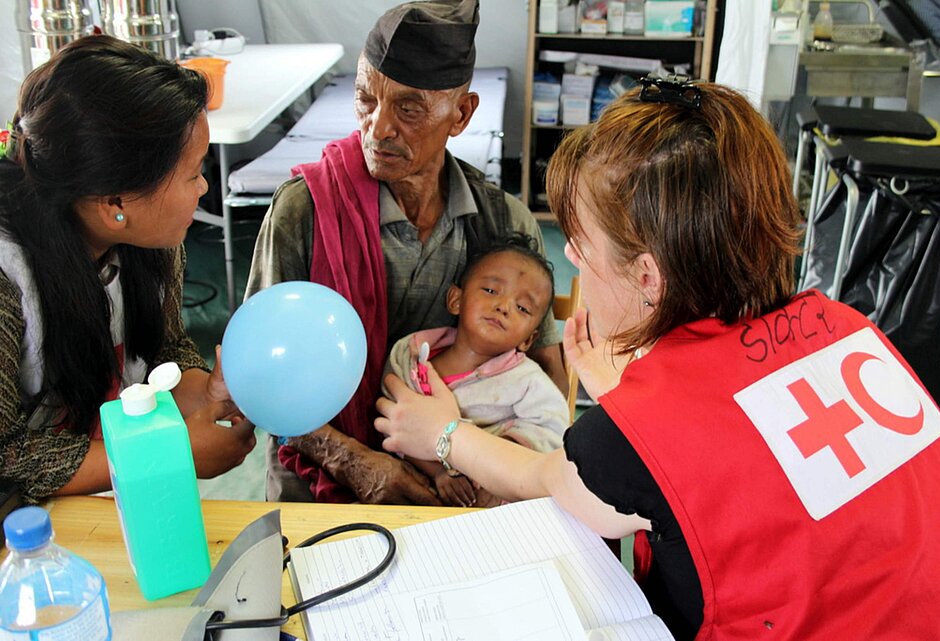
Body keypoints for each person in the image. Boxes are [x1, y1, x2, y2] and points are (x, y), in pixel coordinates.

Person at [374, 76, 940, 641]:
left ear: (648, 276)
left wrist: (444, 432)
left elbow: (541, 477)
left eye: (582, 245)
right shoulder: (848, 328)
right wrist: (634, 396)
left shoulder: (635, 441)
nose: (571, 257)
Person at [245, 0, 566, 504]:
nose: (377, 129)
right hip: (320, 477)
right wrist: (355, 462)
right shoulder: (305, 211)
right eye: (366, 100)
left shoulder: (503, 224)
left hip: (465, 485)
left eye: (408, 109)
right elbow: (260, 381)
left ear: (461, 114)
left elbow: (548, 374)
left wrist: (490, 471)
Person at [0, 35, 257, 504]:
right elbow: (6, 458)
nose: (204, 187)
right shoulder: (8, 278)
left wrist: (204, 392)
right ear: (115, 201)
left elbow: (160, 353)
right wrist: (165, 452)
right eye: (193, 172)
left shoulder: (151, 245)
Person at [384, 233, 568, 507]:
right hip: (411, 490)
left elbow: (551, 432)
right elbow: (396, 426)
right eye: (491, 291)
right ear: (456, 300)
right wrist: (439, 472)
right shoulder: (409, 356)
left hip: (490, 501)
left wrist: (491, 463)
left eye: (522, 307)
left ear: (529, 339)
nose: (503, 307)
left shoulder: (527, 381)